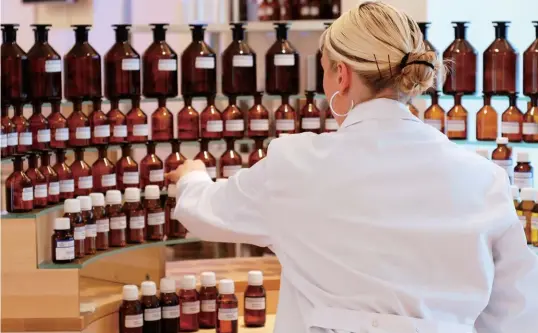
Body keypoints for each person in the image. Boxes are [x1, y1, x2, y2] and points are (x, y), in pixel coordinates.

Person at [166, 2, 538, 333]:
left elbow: (206, 212)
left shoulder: (296, 165)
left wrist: (191, 177)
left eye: (326, 71)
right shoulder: (484, 178)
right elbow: (516, 311)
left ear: (341, 76)